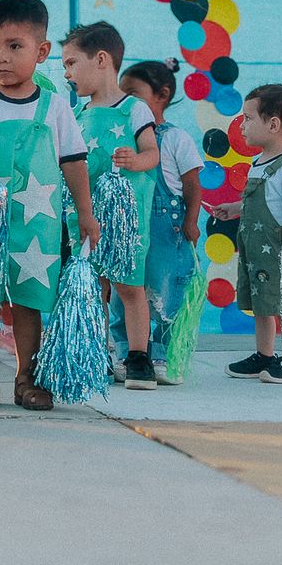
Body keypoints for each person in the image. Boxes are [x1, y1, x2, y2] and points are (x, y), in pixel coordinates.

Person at [0, 0, 99, 411]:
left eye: (15, 47)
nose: (1, 58)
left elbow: (74, 162)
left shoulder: (56, 110)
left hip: (36, 225)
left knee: (28, 300)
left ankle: (27, 375)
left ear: (42, 51)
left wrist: (85, 213)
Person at [61, 22, 161, 390]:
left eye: (72, 64)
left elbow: (153, 153)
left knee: (129, 286)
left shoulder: (134, 110)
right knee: (92, 285)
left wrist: (136, 160)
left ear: (101, 59)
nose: (68, 74)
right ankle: (96, 353)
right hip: (86, 217)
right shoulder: (76, 116)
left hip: (125, 219)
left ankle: (138, 357)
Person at [210, 85, 282, 384]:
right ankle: (264, 356)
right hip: (256, 251)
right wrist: (234, 207)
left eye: (248, 119)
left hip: (279, 251)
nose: (242, 126)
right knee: (262, 305)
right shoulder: (259, 163)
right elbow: (264, 201)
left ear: (274, 124)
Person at [115, 58, 204, 385]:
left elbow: (193, 183)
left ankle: (163, 356)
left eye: (133, 94)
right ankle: (126, 353)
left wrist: (192, 222)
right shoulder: (121, 135)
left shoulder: (176, 138)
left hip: (167, 231)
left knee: (168, 292)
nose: (126, 101)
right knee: (124, 291)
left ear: (162, 95)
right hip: (129, 228)